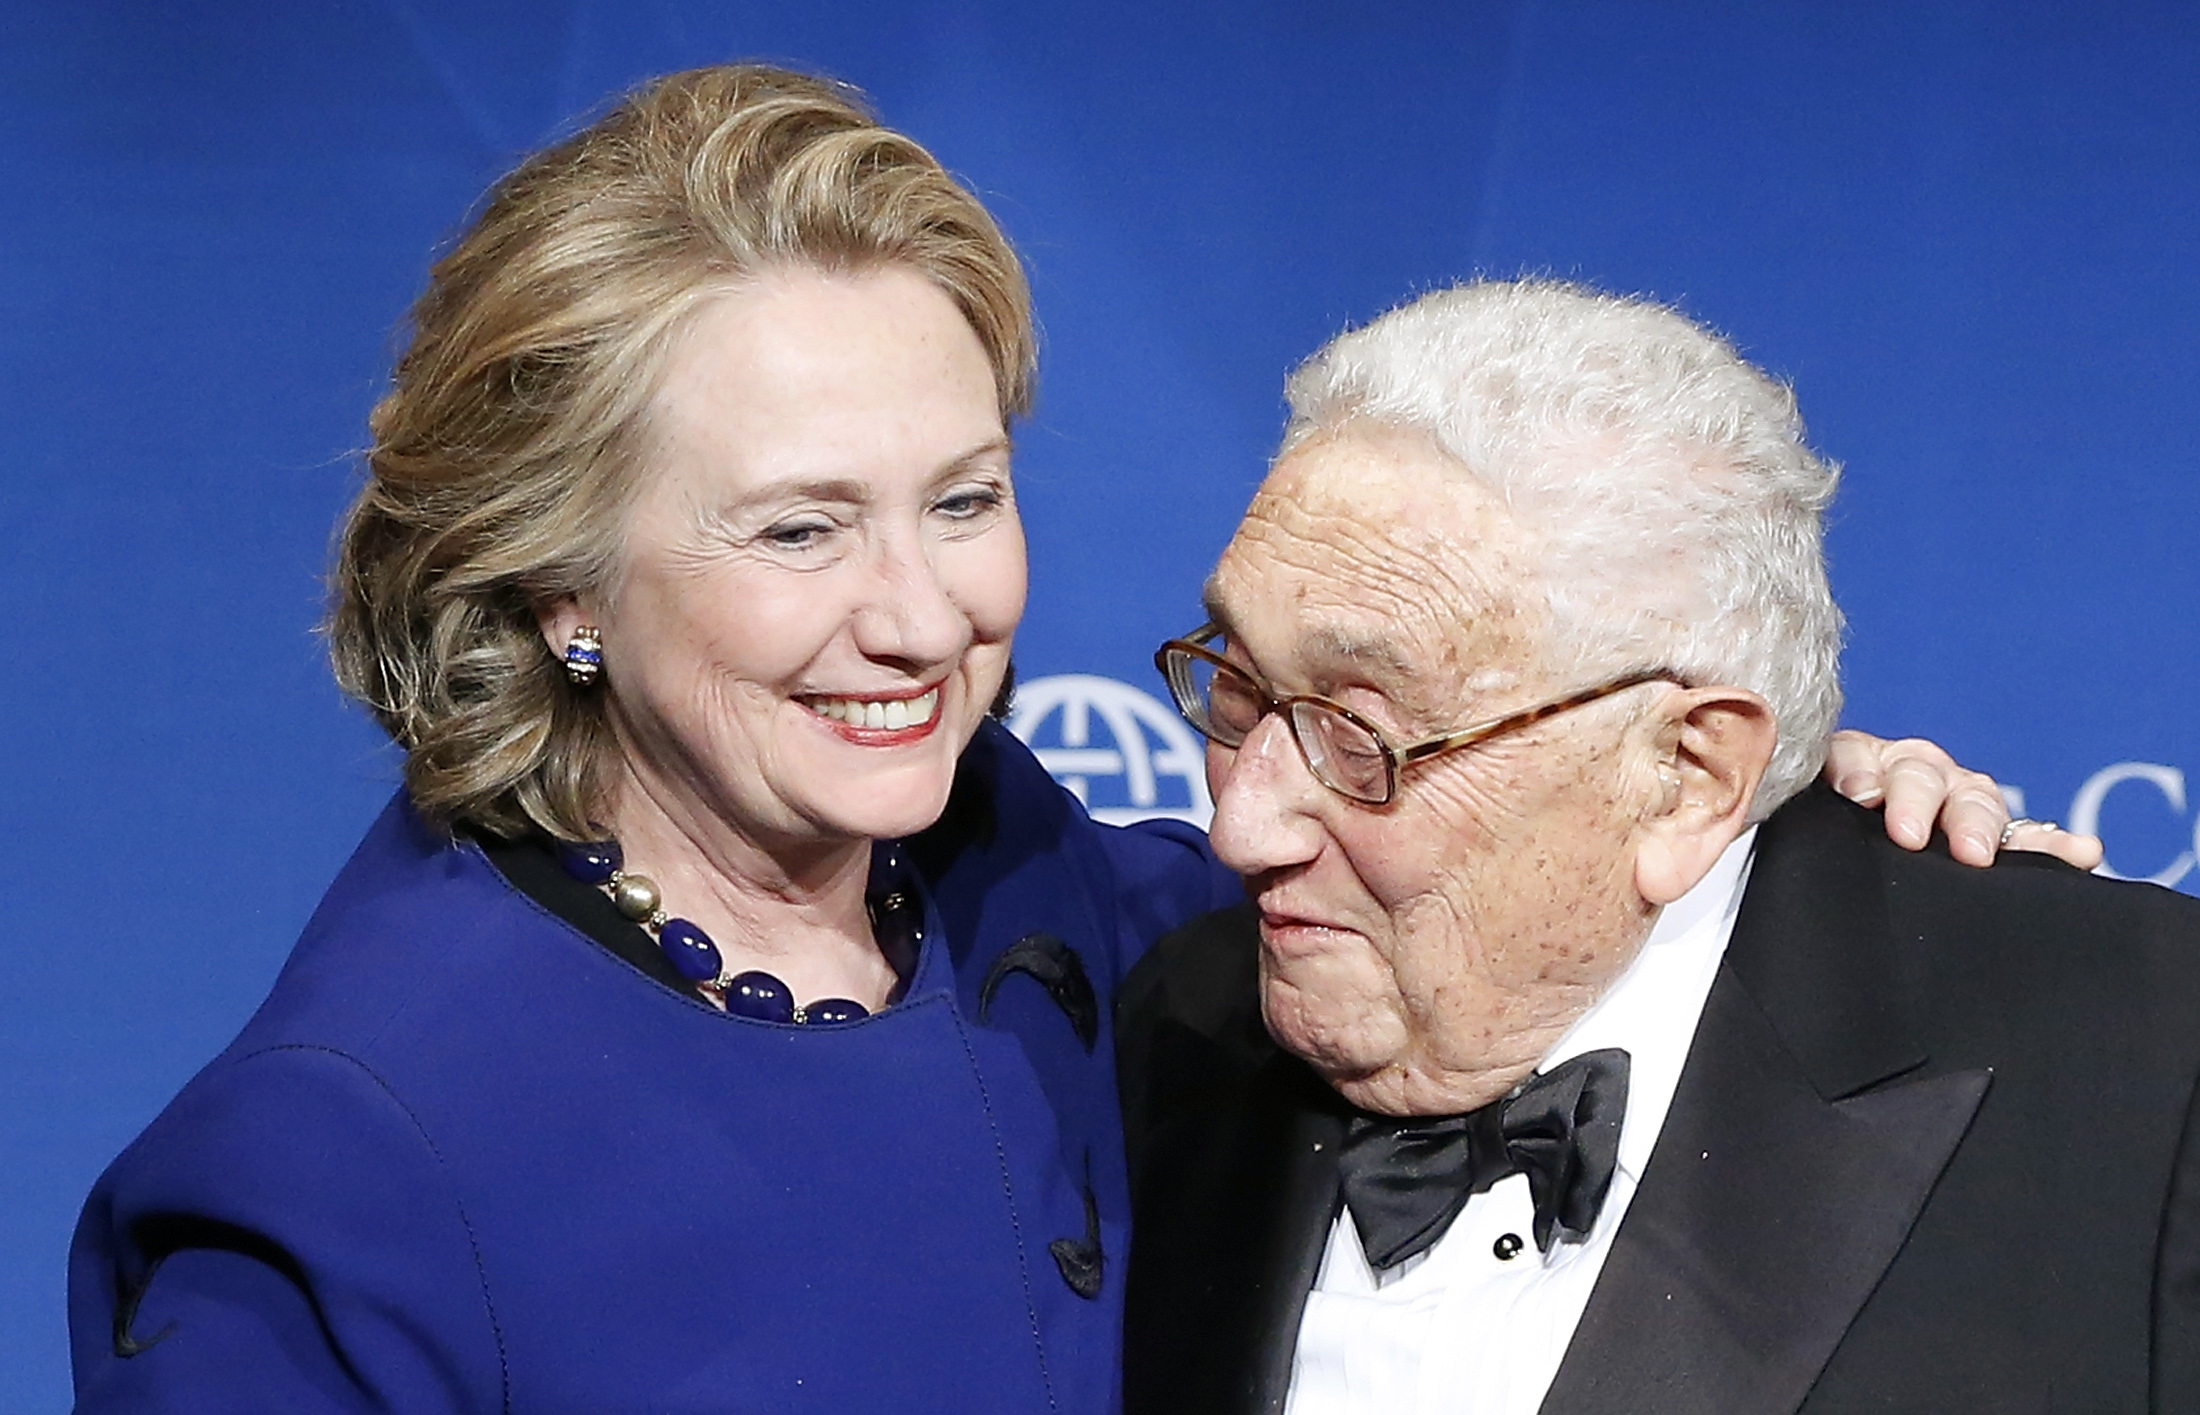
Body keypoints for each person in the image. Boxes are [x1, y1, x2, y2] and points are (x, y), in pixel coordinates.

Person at [66, 67, 2065, 1414]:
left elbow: (1462, 867)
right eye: (795, 527)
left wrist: (1767, 800)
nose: (922, 616)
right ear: (555, 579)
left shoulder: (1049, 889)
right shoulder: (342, 1161)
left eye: (959, 495)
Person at [1117, 279, 2200, 1413]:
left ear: (1686, 776)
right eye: (1239, 691)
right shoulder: (1163, 1032)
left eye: (1360, 734)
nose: (1241, 825)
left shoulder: (2144, 1073)